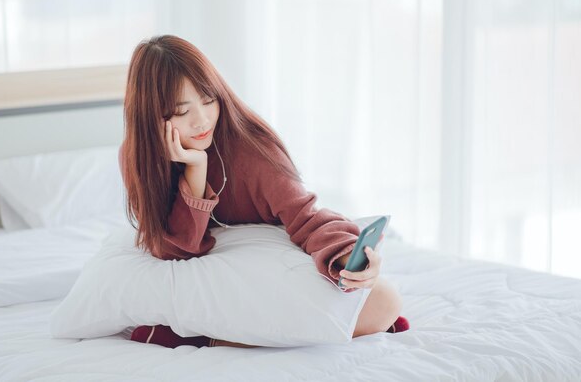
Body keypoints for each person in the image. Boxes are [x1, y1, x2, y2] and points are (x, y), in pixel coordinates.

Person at [118, 35, 409, 349]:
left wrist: (346, 255)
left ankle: (204, 338)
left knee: (383, 300)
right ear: (151, 117)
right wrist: (195, 170)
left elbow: (305, 216)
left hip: (273, 269)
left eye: (207, 99)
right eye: (180, 110)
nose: (201, 120)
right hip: (221, 280)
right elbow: (175, 251)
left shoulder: (250, 149)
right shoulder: (138, 158)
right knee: (379, 307)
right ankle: (213, 336)